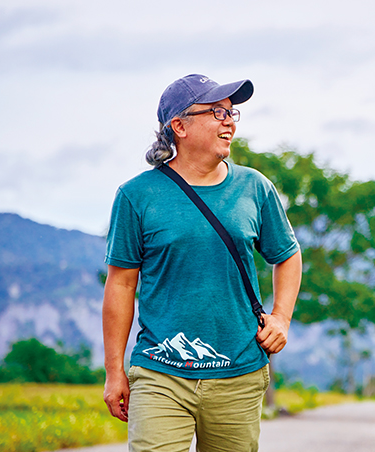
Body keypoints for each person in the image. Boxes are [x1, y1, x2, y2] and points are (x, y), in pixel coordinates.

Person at [102, 74, 302, 452]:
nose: (229, 121)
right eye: (217, 112)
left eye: (231, 113)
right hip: (160, 371)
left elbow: (288, 255)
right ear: (179, 126)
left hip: (239, 372)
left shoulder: (254, 188)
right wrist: (115, 372)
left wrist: (281, 318)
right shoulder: (136, 195)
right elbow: (121, 284)